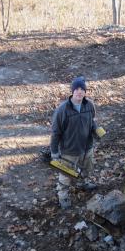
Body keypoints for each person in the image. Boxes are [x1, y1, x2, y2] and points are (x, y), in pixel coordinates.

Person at [50, 76, 102, 209]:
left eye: (82, 89)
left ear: (85, 91)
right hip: (70, 150)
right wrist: (54, 151)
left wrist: (96, 130)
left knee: (86, 168)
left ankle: (82, 183)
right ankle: (63, 196)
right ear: (72, 91)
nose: (79, 92)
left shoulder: (89, 105)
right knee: (66, 175)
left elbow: (91, 122)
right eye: (77, 89)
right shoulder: (62, 110)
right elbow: (55, 133)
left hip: (87, 147)